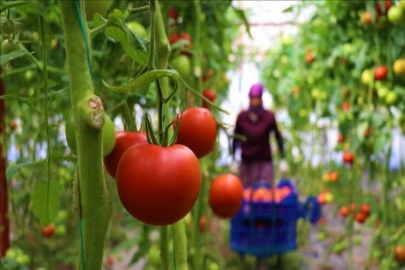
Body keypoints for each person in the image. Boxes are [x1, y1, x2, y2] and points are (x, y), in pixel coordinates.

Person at [232, 82, 288, 187]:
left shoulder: (269, 116)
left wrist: (282, 158)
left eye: (257, 98)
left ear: (261, 99)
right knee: (246, 195)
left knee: (264, 195)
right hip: (246, 163)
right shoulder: (242, 117)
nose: (254, 101)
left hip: (264, 163)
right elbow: (236, 138)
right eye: (252, 98)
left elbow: (278, 137)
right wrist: (233, 159)